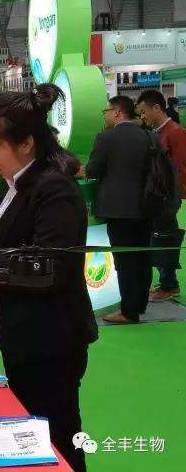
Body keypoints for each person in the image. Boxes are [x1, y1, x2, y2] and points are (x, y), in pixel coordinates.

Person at [0, 84, 98, 472]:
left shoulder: (53, 188)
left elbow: (48, 266)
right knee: (34, 431)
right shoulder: (20, 185)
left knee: (58, 435)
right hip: (23, 334)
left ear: (27, 143)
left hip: (49, 339)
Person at [84, 96, 154, 323]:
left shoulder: (106, 137)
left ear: (116, 112)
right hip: (146, 205)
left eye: (106, 110)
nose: (105, 115)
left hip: (118, 208)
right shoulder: (148, 136)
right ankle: (139, 305)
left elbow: (93, 170)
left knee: (124, 261)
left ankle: (128, 312)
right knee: (142, 257)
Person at [137, 90, 186, 302]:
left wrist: (170, 195)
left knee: (166, 237)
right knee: (159, 236)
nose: (143, 116)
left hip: (167, 197)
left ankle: (169, 284)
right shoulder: (157, 132)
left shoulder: (175, 132)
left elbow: (179, 168)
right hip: (159, 196)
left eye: (144, 111)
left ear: (156, 108)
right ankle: (167, 281)